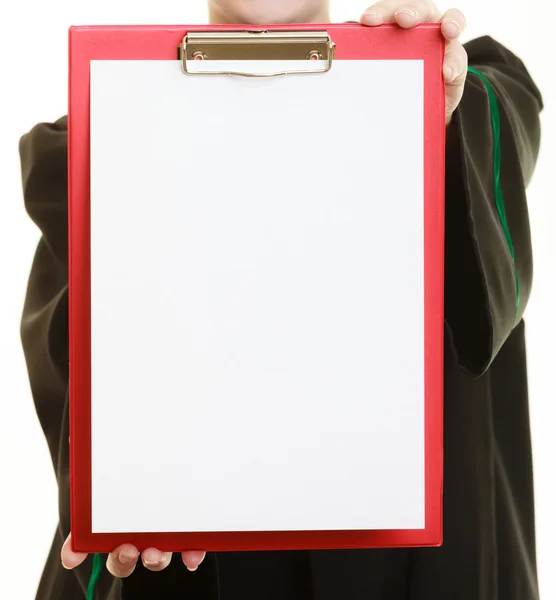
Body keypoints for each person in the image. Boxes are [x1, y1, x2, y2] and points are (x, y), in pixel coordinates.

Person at [19, 0, 543, 598]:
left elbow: (485, 260)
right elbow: (80, 388)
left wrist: (424, 101)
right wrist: (124, 492)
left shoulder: (459, 91)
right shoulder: (101, 131)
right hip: (210, 567)